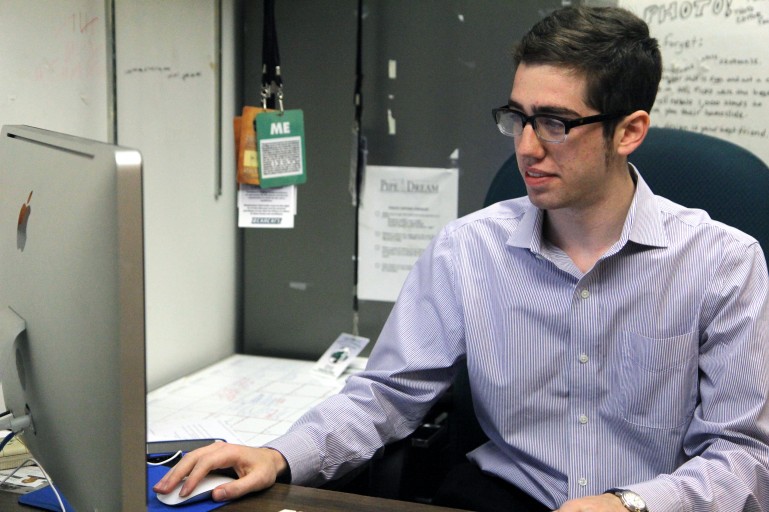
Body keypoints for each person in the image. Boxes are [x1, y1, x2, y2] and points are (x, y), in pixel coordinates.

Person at [154, 6, 769, 511]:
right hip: (503, 497)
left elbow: (745, 455)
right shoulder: (468, 249)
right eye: (518, 118)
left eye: (555, 123)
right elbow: (388, 393)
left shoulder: (724, 264)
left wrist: (630, 504)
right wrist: (282, 454)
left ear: (629, 131)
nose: (527, 147)